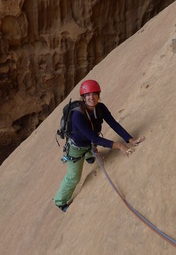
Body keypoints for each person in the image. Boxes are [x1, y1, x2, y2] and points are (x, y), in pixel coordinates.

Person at [54, 79, 145, 212]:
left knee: (90, 150)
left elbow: (113, 124)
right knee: (74, 177)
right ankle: (60, 201)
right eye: (88, 95)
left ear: (98, 95)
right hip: (76, 148)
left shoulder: (100, 108)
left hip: (89, 143)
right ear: (83, 97)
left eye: (94, 94)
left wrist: (129, 139)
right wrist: (120, 146)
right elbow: (94, 138)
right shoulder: (77, 116)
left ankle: (89, 155)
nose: (92, 98)